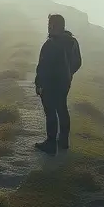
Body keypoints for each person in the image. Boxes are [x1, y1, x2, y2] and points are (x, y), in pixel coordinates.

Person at [33, 14, 82, 155]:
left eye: (50, 24)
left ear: (54, 26)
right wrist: (69, 74)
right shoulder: (72, 42)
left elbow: (42, 68)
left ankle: (50, 143)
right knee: (62, 108)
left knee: (50, 112)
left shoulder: (50, 44)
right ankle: (64, 141)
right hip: (64, 83)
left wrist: (39, 84)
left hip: (50, 84)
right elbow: (78, 62)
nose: (48, 27)